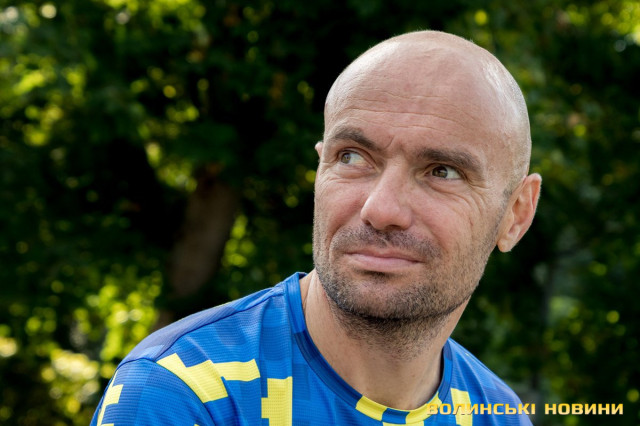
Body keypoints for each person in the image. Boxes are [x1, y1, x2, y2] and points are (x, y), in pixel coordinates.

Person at [92, 30, 541, 426]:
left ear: (516, 214)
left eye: (442, 171)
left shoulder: (497, 413)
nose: (380, 209)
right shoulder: (185, 393)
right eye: (352, 157)